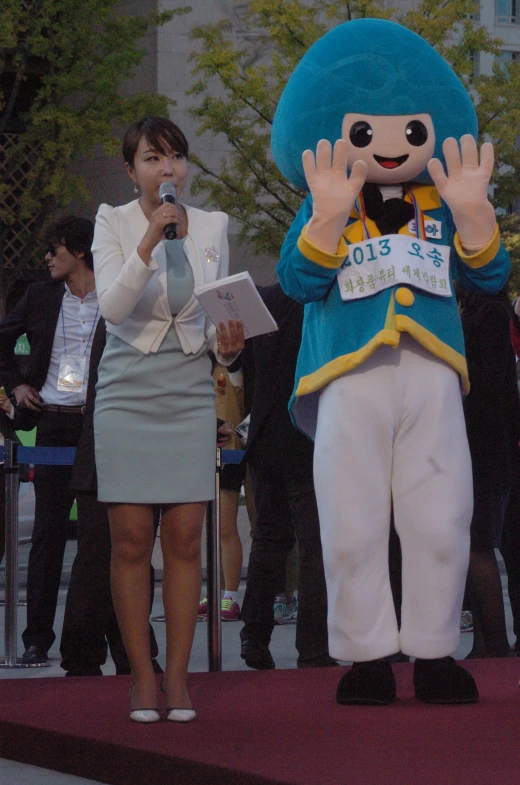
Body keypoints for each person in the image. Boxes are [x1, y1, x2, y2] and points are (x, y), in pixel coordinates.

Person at [272, 19, 510, 705]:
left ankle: (435, 648)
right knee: (351, 519)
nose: (387, 144)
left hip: (432, 372)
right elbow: (297, 280)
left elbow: (490, 277)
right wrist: (324, 221)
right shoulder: (326, 202)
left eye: (409, 131)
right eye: (366, 131)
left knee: (442, 514)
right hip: (349, 374)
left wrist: (474, 217)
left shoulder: (445, 200)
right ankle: (366, 653)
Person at [92, 115, 244, 723]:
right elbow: (113, 308)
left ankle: (178, 680)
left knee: (184, 540)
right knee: (131, 541)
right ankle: (140, 678)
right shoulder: (114, 221)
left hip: (187, 390)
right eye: (153, 159)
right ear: (132, 171)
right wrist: (151, 239)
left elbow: (214, 320)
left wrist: (229, 347)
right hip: (127, 388)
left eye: (176, 157)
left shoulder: (212, 226)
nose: (168, 169)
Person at [0, 216, 99, 665]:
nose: (47, 258)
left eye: (54, 249)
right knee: (48, 533)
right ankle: (36, 639)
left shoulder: (114, 294)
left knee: (100, 533)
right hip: (53, 421)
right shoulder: (39, 295)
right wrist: (17, 386)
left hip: (99, 423)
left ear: (79, 251)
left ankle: (86, 638)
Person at [239, 283, 335, 670]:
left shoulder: (264, 298)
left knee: (268, 538)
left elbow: (242, 366)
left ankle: (254, 635)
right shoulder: (326, 298)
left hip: (266, 433)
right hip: (311, 433)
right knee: (314, 544)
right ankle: (313, 647)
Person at [59, 318, 162, 676]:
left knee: (132, 558)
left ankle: (130, 655)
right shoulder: (121, 318)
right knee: (99, 561)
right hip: (108, 456)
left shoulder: (140, 318)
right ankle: (85, 656)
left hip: (136, 456)